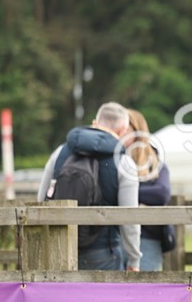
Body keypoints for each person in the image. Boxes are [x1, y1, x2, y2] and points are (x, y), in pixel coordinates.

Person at [38, 102, 141, 271]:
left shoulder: (60, 152)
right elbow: (130, 219)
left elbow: (41, 199)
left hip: (60, 248)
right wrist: (134, 259)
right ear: (123, 130)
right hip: (103, 252)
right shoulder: (124, 162)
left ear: (95, 122)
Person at [123, 109, 172, 271]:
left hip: (148, 238)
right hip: (116, 238)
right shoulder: (113, 161)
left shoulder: (156, 165)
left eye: (126, 128)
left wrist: (125, 194)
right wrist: (140, 200)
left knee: (147, 284)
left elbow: (161, 193)